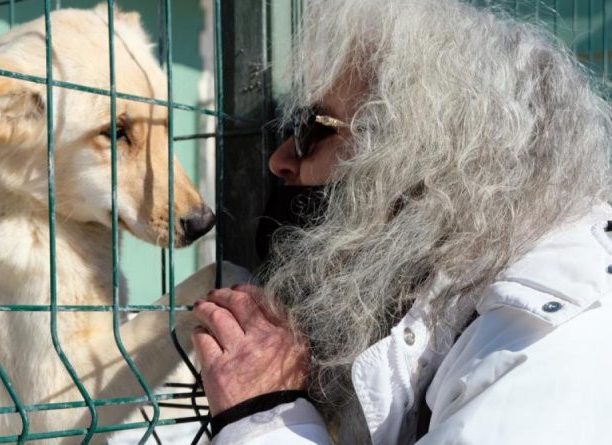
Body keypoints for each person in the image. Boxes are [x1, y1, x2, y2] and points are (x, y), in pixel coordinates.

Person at [191, 0, 612, 444]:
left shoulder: (541, 341)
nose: (279, 161)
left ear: (422, 151)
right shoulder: (455, 304)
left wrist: (265, 417)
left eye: (310, 129)